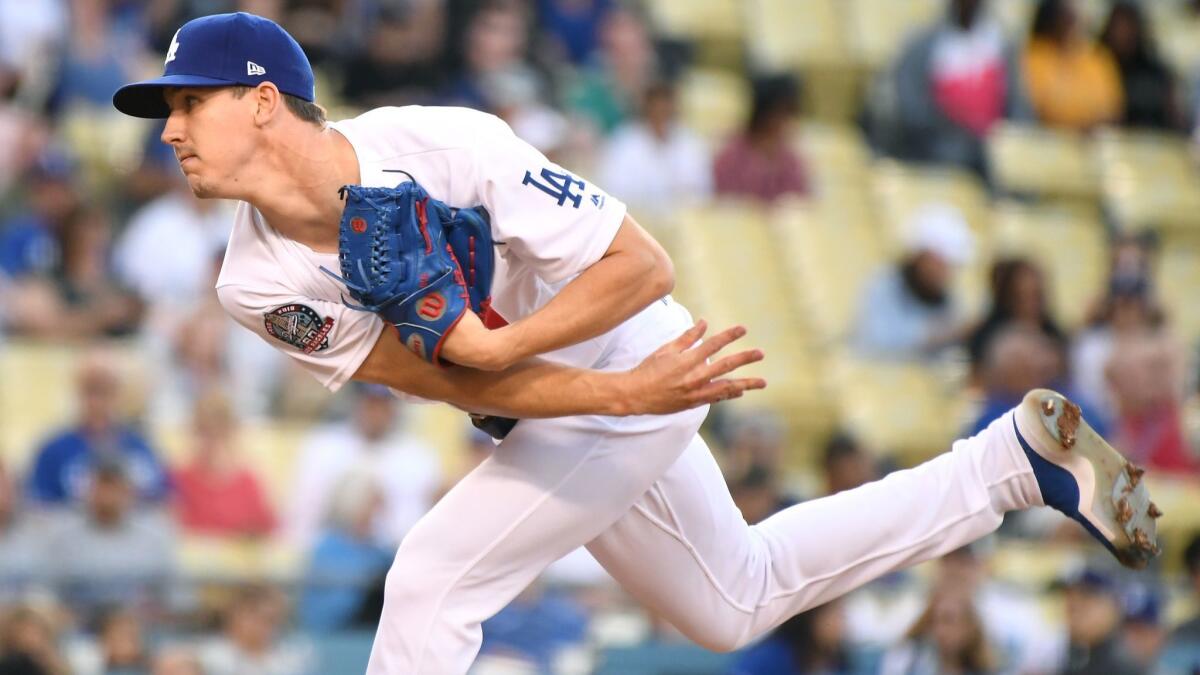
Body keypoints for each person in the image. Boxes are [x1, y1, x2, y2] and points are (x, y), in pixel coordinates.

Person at [112, 14, 1159, 673]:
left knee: (431, 578)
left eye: (188, 104)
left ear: (262, 102)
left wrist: (555, 368)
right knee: (730, 600)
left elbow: (643, 267)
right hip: (572, 401)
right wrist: (516, 372)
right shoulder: (252, 280)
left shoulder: (446, 144)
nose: (169, 130)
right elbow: (434, 374)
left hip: (633, 348)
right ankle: (1006, 466)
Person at [286, 383, 441, 549]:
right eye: (370, 403)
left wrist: (382, 517)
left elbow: (414, 526)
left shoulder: (418, 456)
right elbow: (303, 515)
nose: (376, 412)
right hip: (328, 552)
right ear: (356, 403)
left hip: (390, 556)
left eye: (383, 404)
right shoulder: (323, 445)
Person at [887, 0, 1031, 176]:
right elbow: (911, 109)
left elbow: (1018, 109)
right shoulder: (923, 47)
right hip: (936, 152)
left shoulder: (1001, 48)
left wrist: (1001, 140)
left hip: (989, 154)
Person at [26, 351, 170, 507]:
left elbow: (159, 502)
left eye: (106, 389)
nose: (98, 400)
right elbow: (41, 508)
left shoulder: (140, 449)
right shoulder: (53, 451)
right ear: (78, 392)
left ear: (118, 393)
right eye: (91, 389)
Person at [851, 204, 972, 360]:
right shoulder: (884, 285)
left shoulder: (946, 296)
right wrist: (939, 335)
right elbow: (876, 342)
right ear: (922, 256)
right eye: (941, 262)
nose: (946, 272)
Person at [1023, 0, 1123, 131]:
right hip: (1046, 140)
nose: (1069, 24)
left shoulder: (1097, 58)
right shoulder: (1034, 55)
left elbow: (1112, 109)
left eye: (1073, 17)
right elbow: (1036, 107)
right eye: (1064, 16)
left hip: (1091, 143)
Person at [713, 73, 810, 202]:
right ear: (765, 113)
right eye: (782, 113)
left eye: (791, 114)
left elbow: (798, 204)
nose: (787, 122)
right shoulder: (731, 155)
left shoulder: (791, 160)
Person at [1098, 1, 1187, 132]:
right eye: (1118, 26)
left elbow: (1177, 120)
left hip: (1156, 141)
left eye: (1129, 26)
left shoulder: (1158, 73)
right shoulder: (1097, 66)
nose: (1123, 32)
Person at [879, 586, 997, 675]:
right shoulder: (908, 660)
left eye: (949, 620)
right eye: (934, 621)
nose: (940, 629)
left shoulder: (986, 670)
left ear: (970, 627)